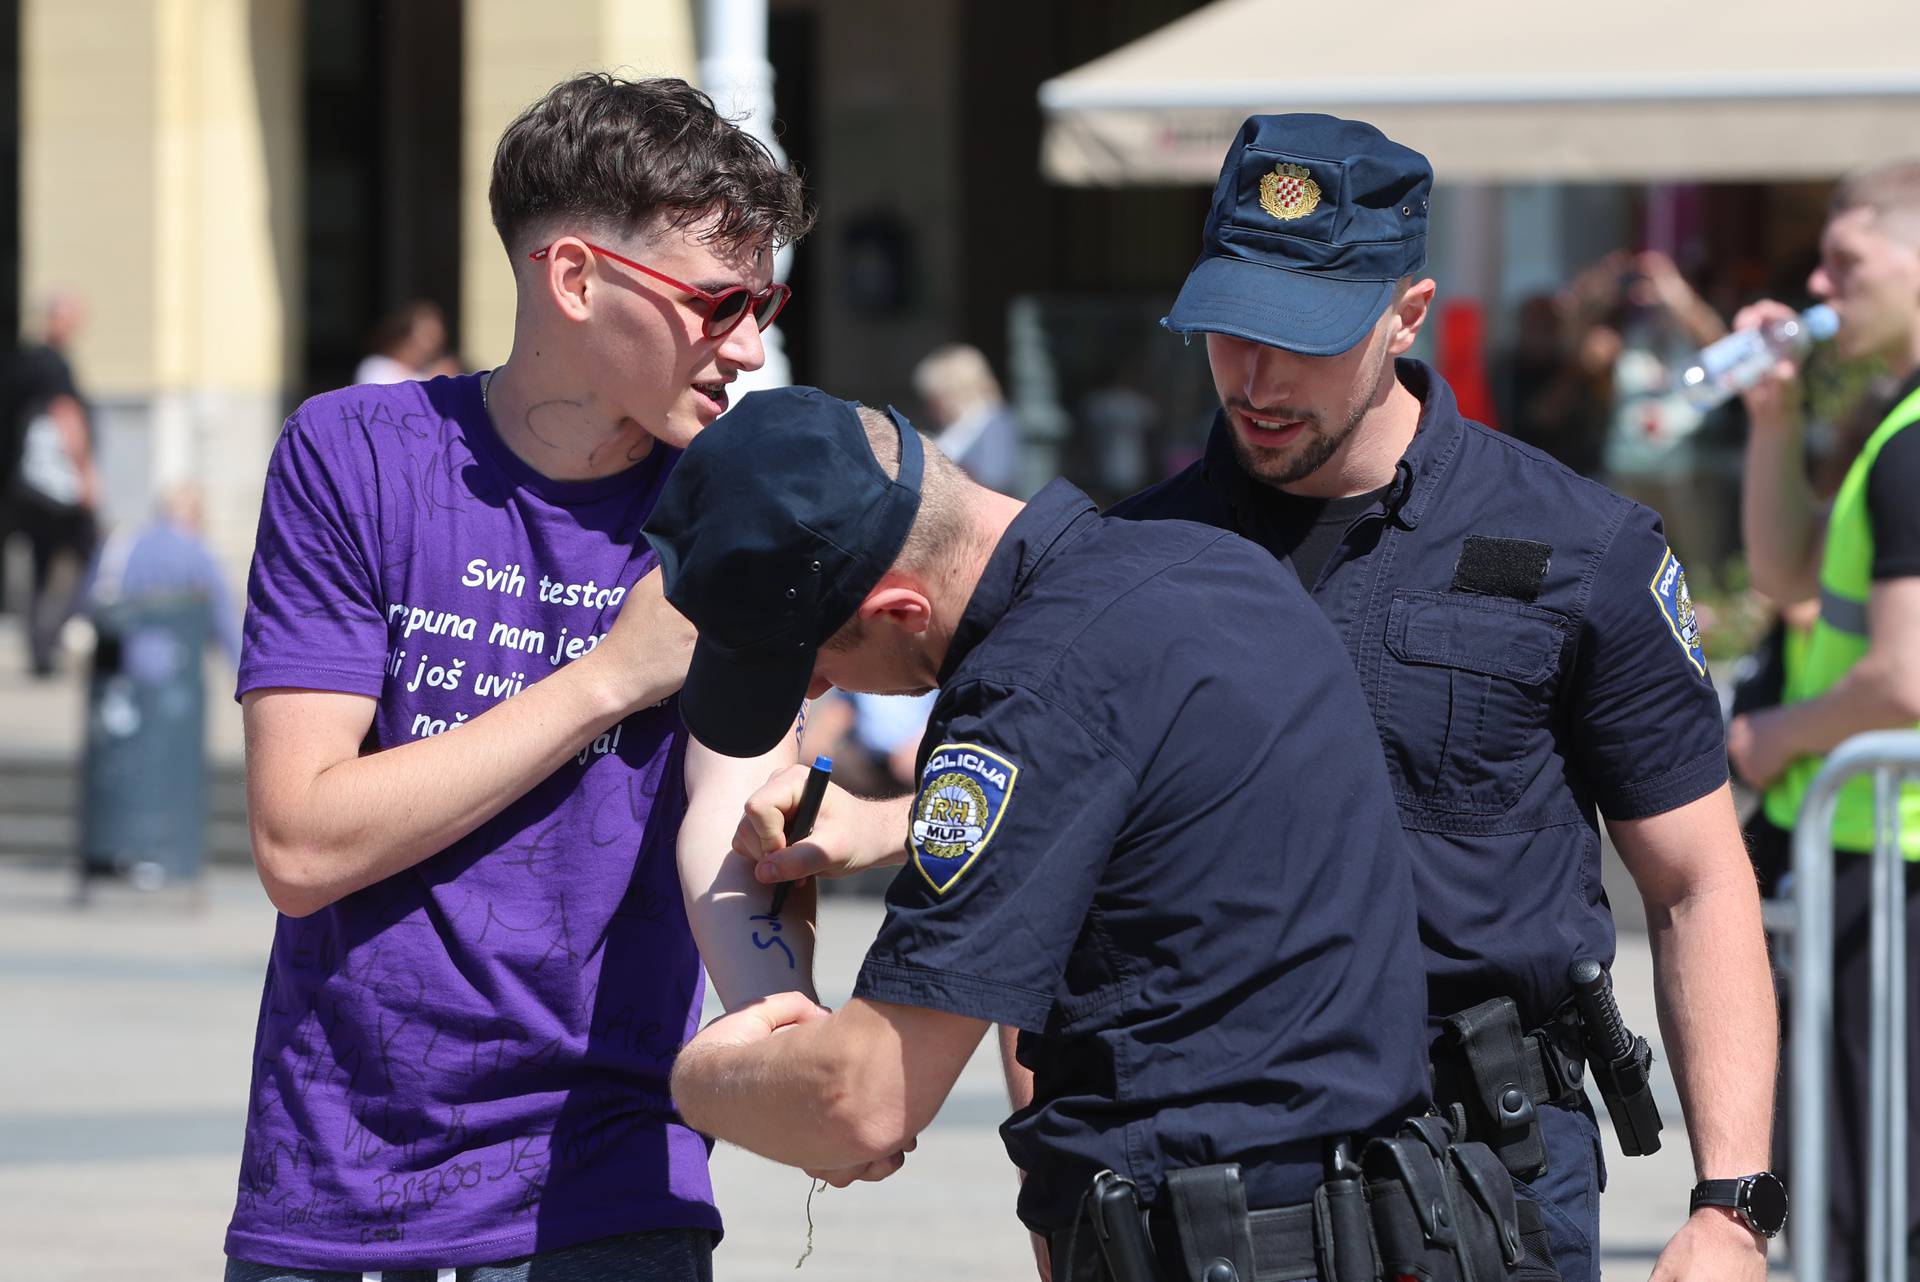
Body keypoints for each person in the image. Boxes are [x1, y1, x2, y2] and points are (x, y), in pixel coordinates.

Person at [1106, 116, 1778, 1282]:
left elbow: (1695, 878)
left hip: (1484, 1167)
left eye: (1300, 337)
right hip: (1202, 1166)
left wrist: (1731, 1206)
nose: (1254, 378)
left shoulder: (1578, 546)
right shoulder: (1128, 557)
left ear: (1407, 314)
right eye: (1228, 331)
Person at [650, 388, 1447, 1281]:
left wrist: (698, 1078)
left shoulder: (1025, 696)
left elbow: (862, 1099)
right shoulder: (1213, 566)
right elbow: (1163, 830)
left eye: (816, 663)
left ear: (901, 611)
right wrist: (888, 825)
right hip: (1389, 1217)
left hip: (1235, 1242)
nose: (816, 695)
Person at [223, 73, 811, 1281]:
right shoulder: (355, 455)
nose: (751, 344)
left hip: (612, 1186)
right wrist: (610, 677)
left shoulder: (740, 505)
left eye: (768, 299)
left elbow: (730, 814)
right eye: (719, 301)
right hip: (337, 1185)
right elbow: (301, 842)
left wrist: (779, 1019)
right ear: (577, 279)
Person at [1728, 159, 1920, 1282]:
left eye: (1847, 258)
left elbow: (1903, 680)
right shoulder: (1892, 419)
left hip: (1889, 864)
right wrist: (1775, 413)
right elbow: (1786, 568)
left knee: (1868, 1202)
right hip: (1872, 856)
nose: (1818, 279)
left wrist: (1774, 737)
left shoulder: (1911, 442)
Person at [5, 292, 100, 676]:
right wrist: (86, 475)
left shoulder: (24, 361)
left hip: (25, 487)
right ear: (58, 319)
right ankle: (54, 635)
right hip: (55, 488)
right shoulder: (52, 364)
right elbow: (66, 416)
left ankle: (40, 646)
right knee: (84, 550)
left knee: (39, 565)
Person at [912, 342, 1022, 493]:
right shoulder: (959, 429)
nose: (928, 411)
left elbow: (996, 479)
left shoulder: (995, 422)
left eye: (932, 400)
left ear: (950, 392)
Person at [353, 300, 460, 385]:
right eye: (428, 337)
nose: (432, 348)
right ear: (404, 338)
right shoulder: (375, 368)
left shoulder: (427, 374)